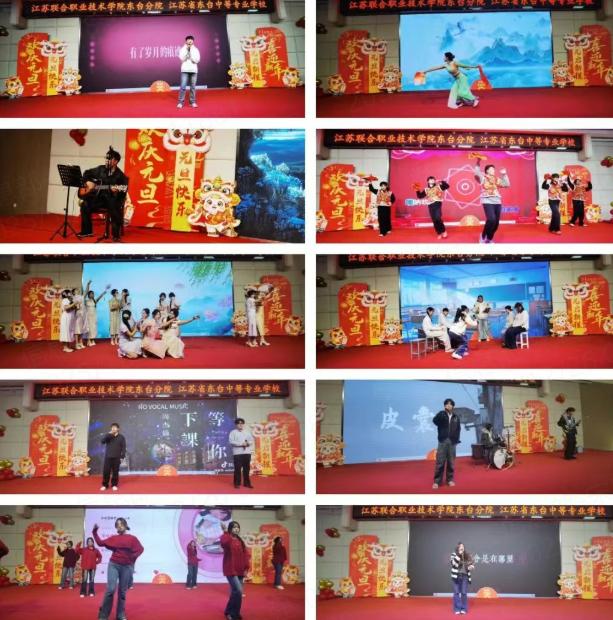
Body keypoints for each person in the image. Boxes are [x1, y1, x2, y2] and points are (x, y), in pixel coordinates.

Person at [93, 517, 144, 620]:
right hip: (114, 565)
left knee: (122, 592)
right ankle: (103, 615)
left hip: (126, 567)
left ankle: (120, 614)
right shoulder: (114, 538)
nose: (119, 526)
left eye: (121, 524)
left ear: (125, 525)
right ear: (116, 527)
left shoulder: (132, 538)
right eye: (117, 525)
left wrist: (132, 558)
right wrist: (94, 532)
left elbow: (140, 549)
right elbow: (100, 543)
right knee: (110, 589)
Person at [79, 148, 128, 241]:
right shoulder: (101, 169)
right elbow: (86, 173)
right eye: (106, 158)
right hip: (99, 199)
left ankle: (115, 236)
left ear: (116, 161)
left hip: (112, 200)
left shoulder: (120, 176)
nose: (106, 160)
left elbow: (124, 191)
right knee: (85, 204)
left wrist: (116, 191)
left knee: (114, 206)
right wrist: (88, 183)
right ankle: (87, 231)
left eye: (109, 159)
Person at [220, 521, 250, 620]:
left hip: (240, 570)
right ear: (230, 529)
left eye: (238, 527)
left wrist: (246, 568)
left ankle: (229, 611)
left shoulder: (240, 540)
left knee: (235, 592)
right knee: (238, 591)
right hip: (230, 569)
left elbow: (246, 555)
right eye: (234, 527)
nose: (236, 529)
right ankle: (233, 614)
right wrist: (225, 532)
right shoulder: (226, 538)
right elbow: (224, 543)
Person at [474, 161, 510, 243]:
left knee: (496, 223)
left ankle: (489, 238)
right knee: (491, 219)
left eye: (494, 169)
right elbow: (476, 173)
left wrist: (504, 174)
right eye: (491, 169)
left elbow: (507, 184)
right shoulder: (483, 178)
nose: (493, 170)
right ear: (487, 170)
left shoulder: (496, 179)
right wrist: (478, 162)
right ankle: (483, 236)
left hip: (497, 202)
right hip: (487, 200)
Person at [432, 398, 461, 489]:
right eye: (447, 404)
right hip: (443, 441)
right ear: (444, 406)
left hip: (452, 442)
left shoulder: (456, 417)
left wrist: (456, 440)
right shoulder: (441, 414)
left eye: (450, 404)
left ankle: (450, 480)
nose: (449, 405)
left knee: (451, 462)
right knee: (440, 462)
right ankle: (437, 482)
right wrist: (440, 415)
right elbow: (435, 421)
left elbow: (458, 429)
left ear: (453, 406)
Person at [100, 422, 126, 491]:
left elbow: (123, 447)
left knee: (115, 472)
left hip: (117, 457)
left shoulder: (121, 437)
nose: (113, 428)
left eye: (115, 427)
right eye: (112, 427)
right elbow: (102, 441)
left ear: (118, 429)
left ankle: (114, 485)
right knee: (106, 472)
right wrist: (108, 434)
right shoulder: (108, 436)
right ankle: (105, 485)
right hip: (108, 457)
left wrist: (122, 457)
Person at [229, 417, 254, 489]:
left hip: (247, 453)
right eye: (238, 423)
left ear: (243, 424)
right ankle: (237, 483)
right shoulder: (233, 432)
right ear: (236, 425)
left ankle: (247, 483)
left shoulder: (247, 432)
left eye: (242, 423)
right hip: (237, 453)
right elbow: (231, 442)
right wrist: (241, 444)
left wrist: (248, 443)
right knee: (237, 469)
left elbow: (251, 440)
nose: (240, 425)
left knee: (247, 469)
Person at [450, 542, 474, 615]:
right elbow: (453, 563)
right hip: (456, 576)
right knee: (456, 593)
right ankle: (457, 609)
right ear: (457, 548)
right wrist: (459, 555)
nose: (462, 547)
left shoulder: (467, 555)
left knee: (464, 593)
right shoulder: (454, 554)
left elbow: (471, 564)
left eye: (463, 546)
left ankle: (463, 608)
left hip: (465, 576)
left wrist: (471, 567)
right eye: (460, 546)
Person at [177, 35, 200, 109]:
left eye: (191, 40)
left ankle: (192, 102)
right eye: (188, 39)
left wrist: (191, 57)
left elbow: (197, 60)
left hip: (193, 70)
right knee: (183, 86)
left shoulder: (196, 49)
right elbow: (181, 59)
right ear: (186, 41)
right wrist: (187, 52)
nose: (190, 41)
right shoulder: (183, 49)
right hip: (185, 70)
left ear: (193, 41)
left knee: (193, 87)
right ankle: (180, 102)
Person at [85, 283, 105, 347]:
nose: (92, 295)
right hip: (89, 316)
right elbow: (85, 293)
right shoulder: (86, 301)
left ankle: (92, 340)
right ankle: (88, 341)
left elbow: (99, 298)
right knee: (89, 328)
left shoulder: (94, 301)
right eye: (91, 294)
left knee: (94, 328)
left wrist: (103, 293)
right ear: (88, 295)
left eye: (93, 294)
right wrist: (88, 285)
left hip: (94, 316)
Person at [60, 289, 77, 353]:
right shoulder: (65, 300)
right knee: (66, 332)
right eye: (69, 293)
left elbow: (72, 308)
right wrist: (74, 303)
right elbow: (66, 308)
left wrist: (75, 306)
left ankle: (67, 346)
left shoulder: (70, 300)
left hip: (70, 318)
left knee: (69, 332)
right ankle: (65, 347)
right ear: (65, 294)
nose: (71, 294)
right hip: (66, 318)